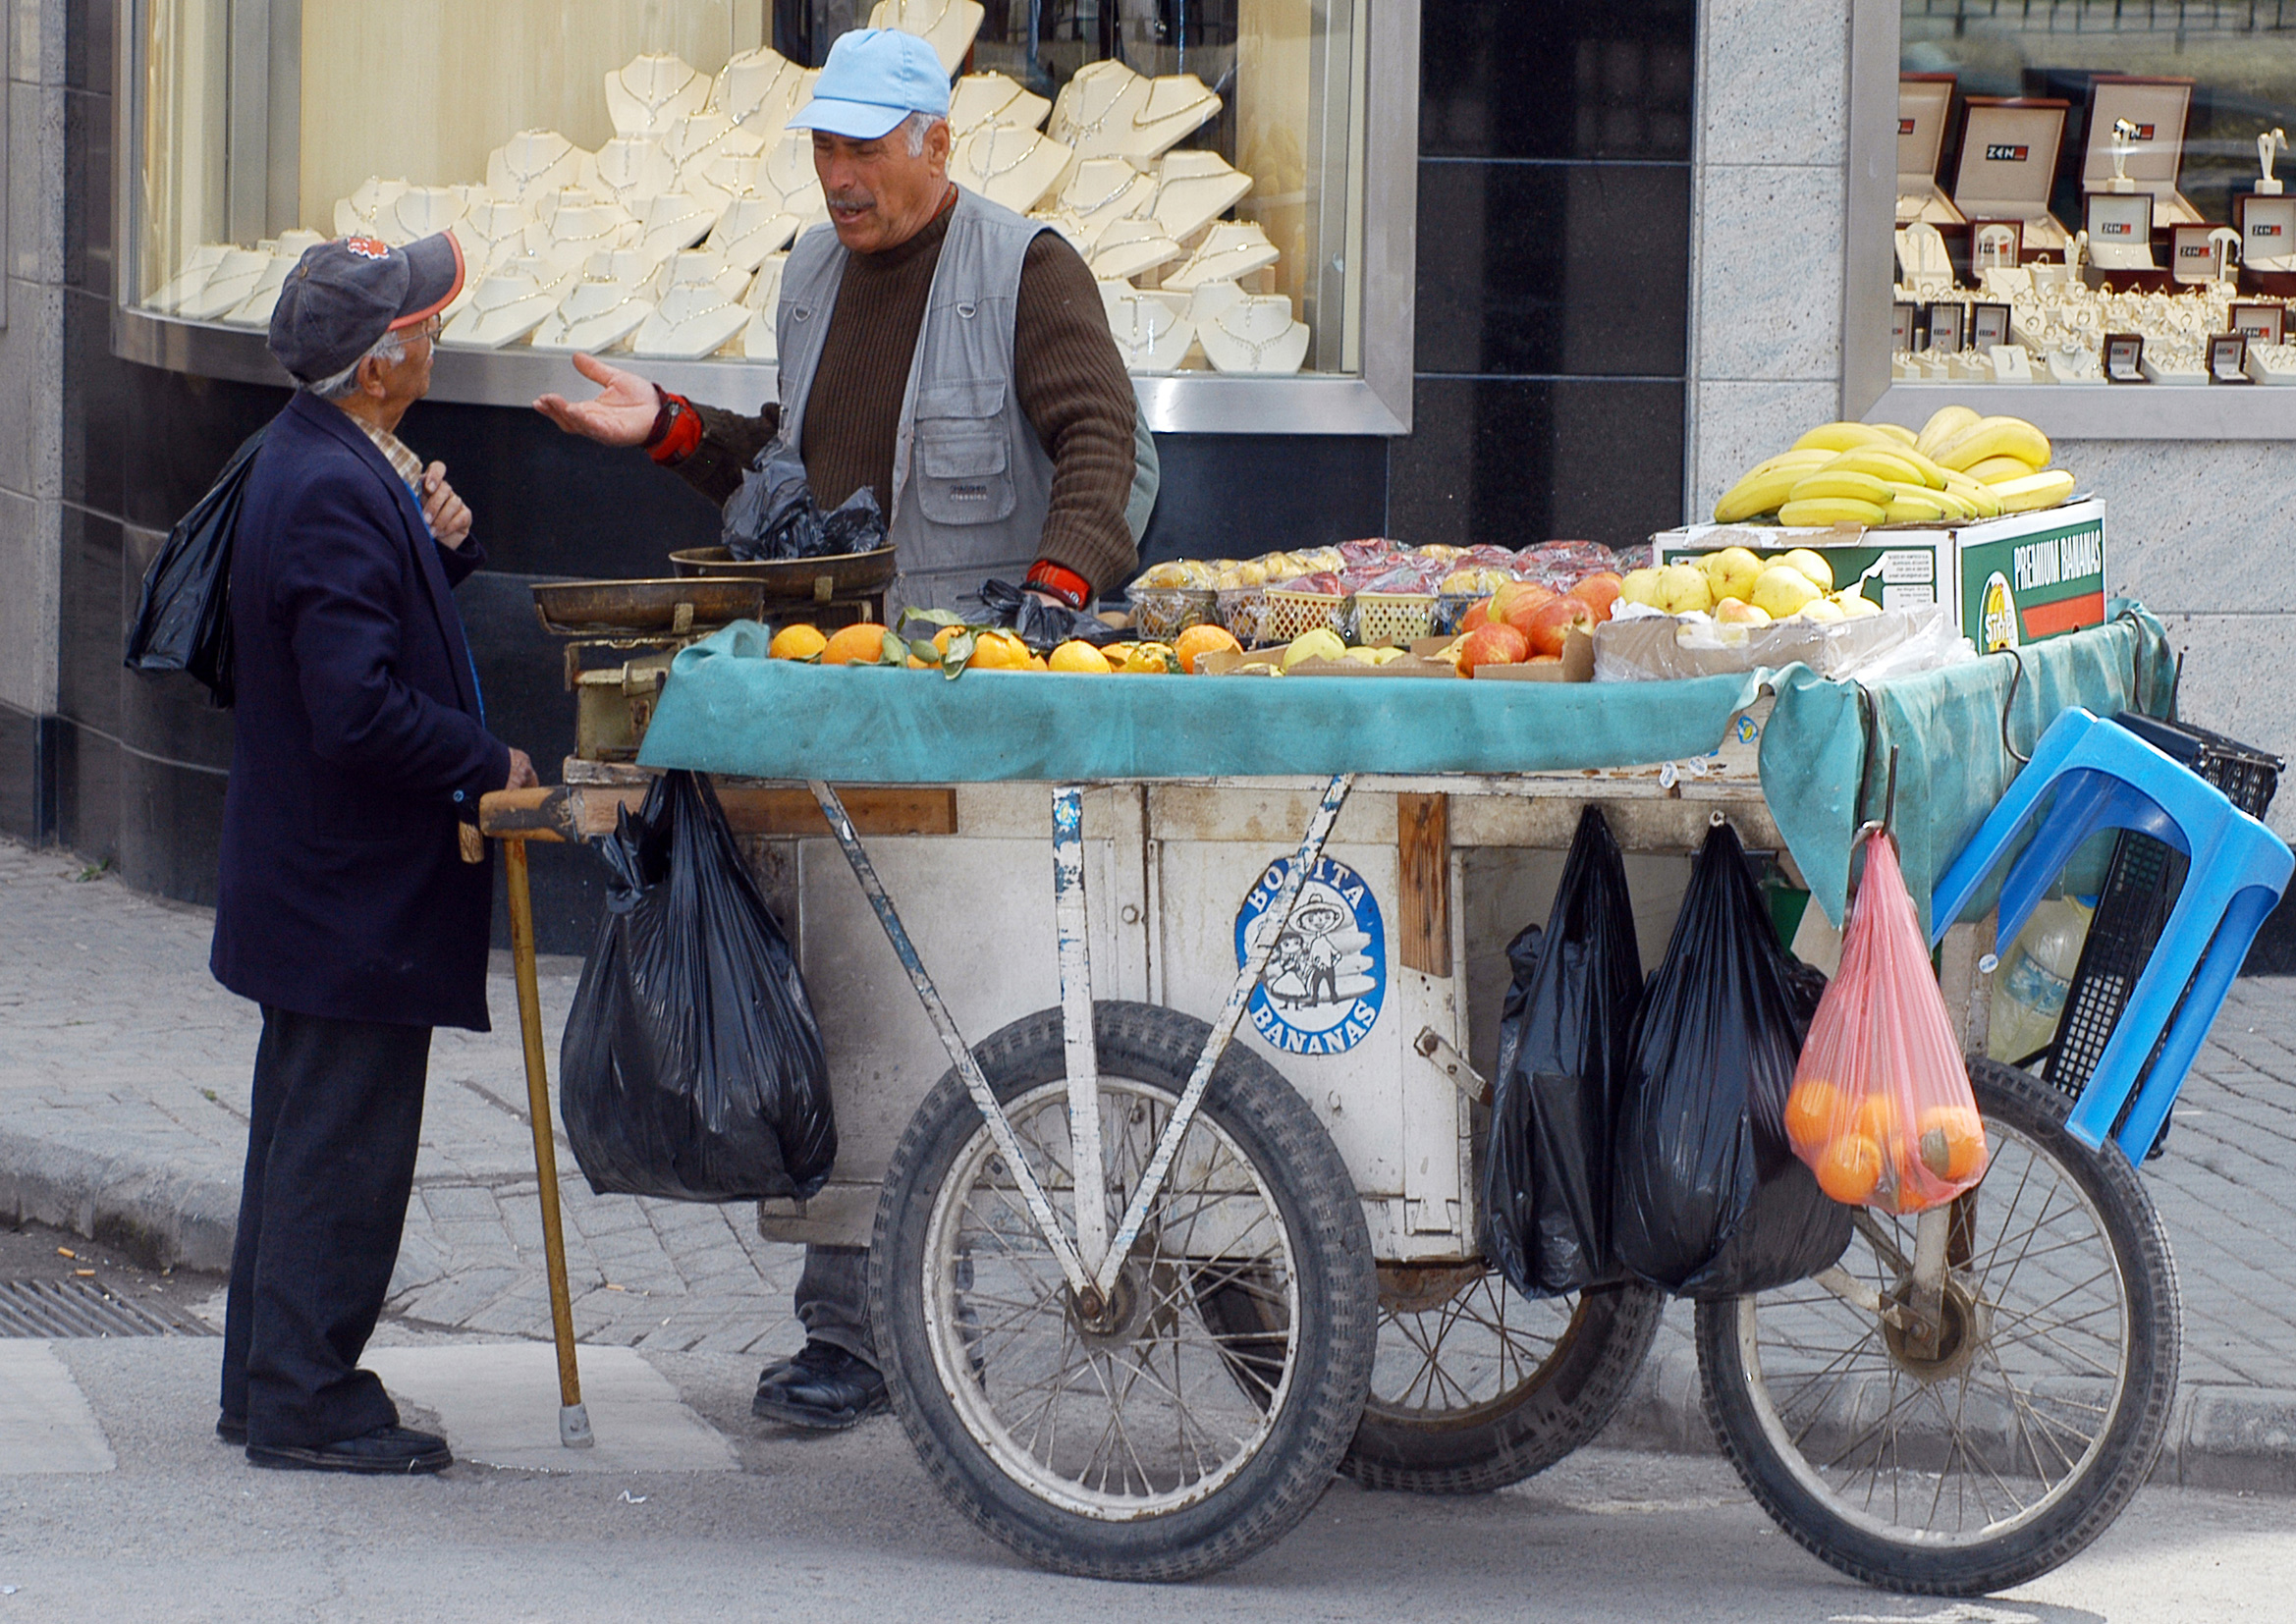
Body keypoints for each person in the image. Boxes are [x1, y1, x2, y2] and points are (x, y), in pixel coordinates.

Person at [536, 28, 1154, 1432]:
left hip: (962, 702)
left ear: (938, 141)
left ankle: (933, 1321)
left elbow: (1098, 441)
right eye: (823, 146)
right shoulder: (812, 274)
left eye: (865, 146)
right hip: (830, 693)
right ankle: (849, 1328)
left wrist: (1049, 601)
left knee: (950, 1007)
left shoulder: (1025, 266)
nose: (838, 176)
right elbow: (790, 486)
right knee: (842, 1002)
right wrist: (670, 431)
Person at [212, 232, 541, 1474]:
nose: (437, 337)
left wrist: (437, 542)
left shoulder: (331, 460)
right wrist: (482, 759)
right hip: (347, 886)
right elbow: (353, 705)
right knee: (343, 1142)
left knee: (302, 1130)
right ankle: (305, 1395)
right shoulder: (334, 485)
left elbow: (365, 628)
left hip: (314, 880)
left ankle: (271, 1377)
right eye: (422, 324)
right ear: (378, 364)